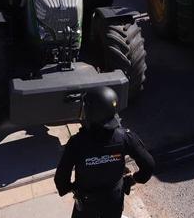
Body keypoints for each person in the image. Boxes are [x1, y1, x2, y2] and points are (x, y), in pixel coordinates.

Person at [55, 86, 155, 218]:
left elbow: (61, 179)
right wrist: (132, 179)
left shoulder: (76, 143)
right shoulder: (125, 137)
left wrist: (71, 188)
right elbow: (148, 165)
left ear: (90, 112)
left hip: (86, 205)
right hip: (114, 202)